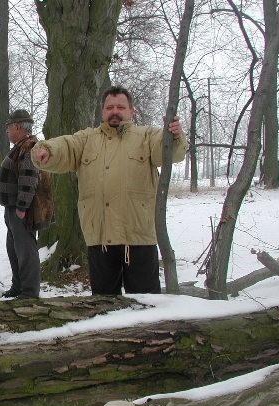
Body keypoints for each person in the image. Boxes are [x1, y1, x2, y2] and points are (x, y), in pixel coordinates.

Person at [31, 85, 187, 295]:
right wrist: (46, 150)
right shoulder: (87, 139)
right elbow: (66, 146)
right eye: (110, 107)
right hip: (100, 239)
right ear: (103, 111)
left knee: (146, 305)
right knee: (103, 306)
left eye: (121, 107)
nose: (115, 111)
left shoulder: (148, 137)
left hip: (138, 237)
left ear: (132, 111)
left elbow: (171, 152)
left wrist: (175, 136)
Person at [0, 109, 41, 299]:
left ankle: (29, 292)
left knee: (25, 251)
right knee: (13, 249)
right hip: (12, 208)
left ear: (18, 127)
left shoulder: (29, 147)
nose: (7, 130)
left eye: (9, 127)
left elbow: (29, 179)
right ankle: (18, 286)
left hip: (21, 210)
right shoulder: (20, 146)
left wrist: (22, 206)